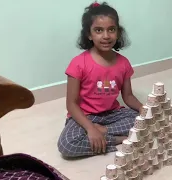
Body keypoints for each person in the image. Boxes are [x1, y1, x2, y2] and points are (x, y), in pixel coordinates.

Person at [57, 1, 143, 158]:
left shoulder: (123, 63)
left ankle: (105, 133)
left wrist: (143, 109)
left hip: (112, 114)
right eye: (98, 30)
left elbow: (128, 96)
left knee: (142, 120)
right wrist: (90, 128)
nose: (106, 36)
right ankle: (117, 140)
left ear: (118, 32)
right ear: (89, 34)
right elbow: (71, 104)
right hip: (85, 116)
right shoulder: (78, 64)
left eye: (111, 29)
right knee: (66, 145)